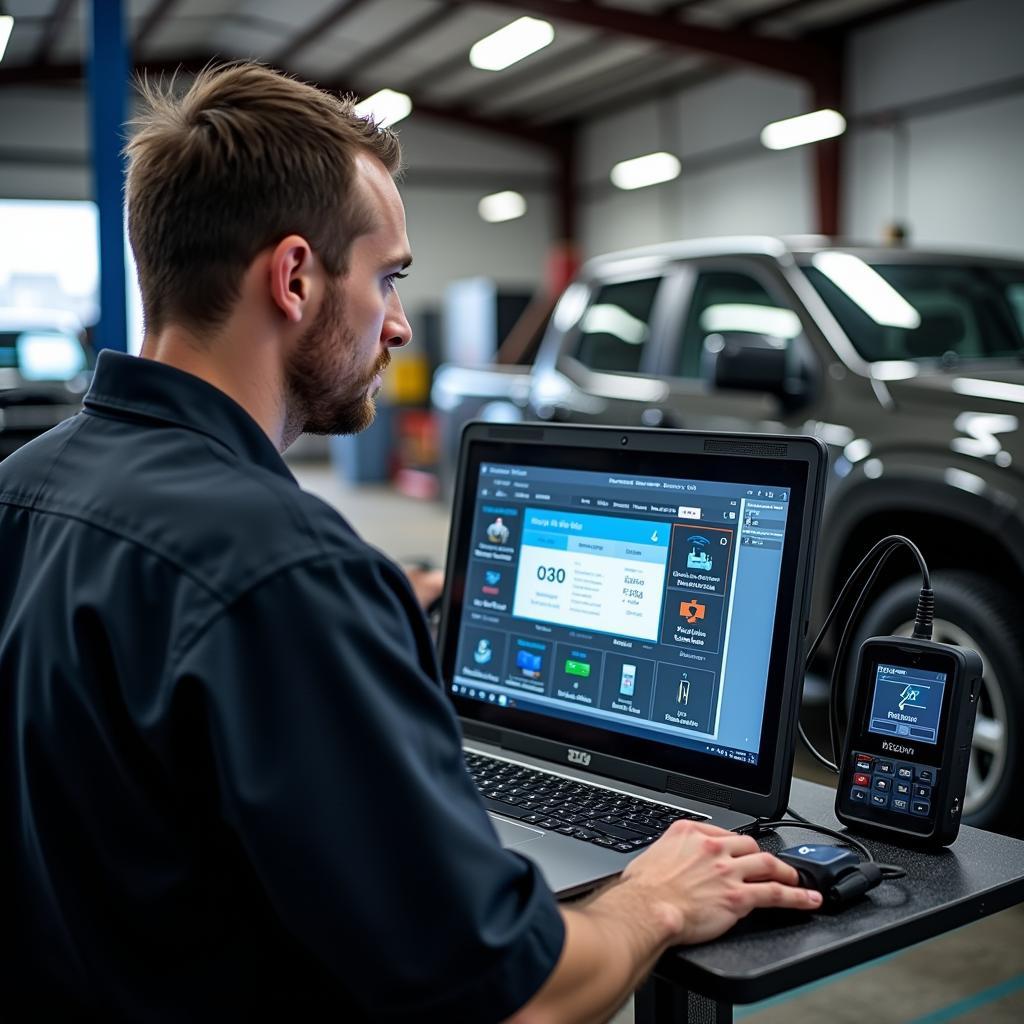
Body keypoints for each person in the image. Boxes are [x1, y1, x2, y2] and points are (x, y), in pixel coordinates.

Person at [0, 63, 821, 1022]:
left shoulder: (25, 486)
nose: (397, 324)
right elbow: (512, 997)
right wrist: (657, 896)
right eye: (388, 276)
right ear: (296, 276)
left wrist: (360, 610)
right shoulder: (286, 572)